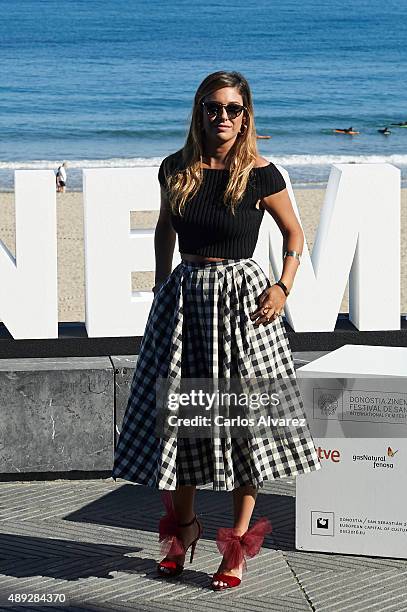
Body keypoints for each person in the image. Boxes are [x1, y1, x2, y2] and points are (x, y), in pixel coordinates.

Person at [112, 70, 321, 591]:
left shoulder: (260, 173)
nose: (222, 117)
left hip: (244, 306)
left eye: (232, 108)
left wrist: (283, 285)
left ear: (246, 114)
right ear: (199, 111)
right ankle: (184, 532)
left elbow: (295, 231)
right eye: (213, 107)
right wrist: (163, 285)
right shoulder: (175, 168)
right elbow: (165, 227)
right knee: (184, 421)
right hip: (186, 302)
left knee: (244, 424)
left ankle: (237, 545)